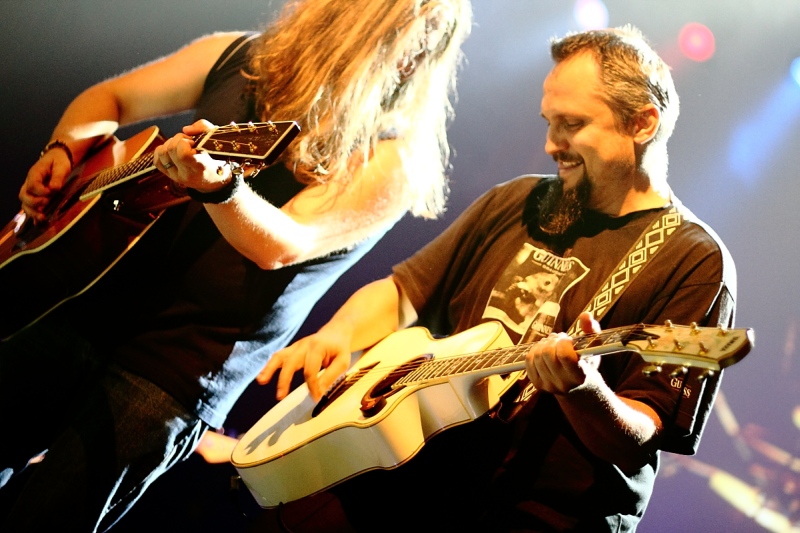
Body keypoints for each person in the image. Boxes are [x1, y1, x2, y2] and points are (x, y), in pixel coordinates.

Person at [0, 0, 472, 530]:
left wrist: (222, 188)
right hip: (91, 307)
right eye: (395, 35)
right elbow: (108, 98)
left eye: (420, 46)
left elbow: (286, 244)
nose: (410, 59)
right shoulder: (239, 58)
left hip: (176, 369)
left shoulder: (392, 158)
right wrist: (63, 149)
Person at [257, 24, 737, 531]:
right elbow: (403, 291)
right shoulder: (519, 200)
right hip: (416, 480)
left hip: (534, 517)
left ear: (643, 123)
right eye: (549, 122)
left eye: (572, 123)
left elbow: (640, 432)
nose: (552, 144)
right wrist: (336, 335)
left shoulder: (693, 260)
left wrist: (583, 390)